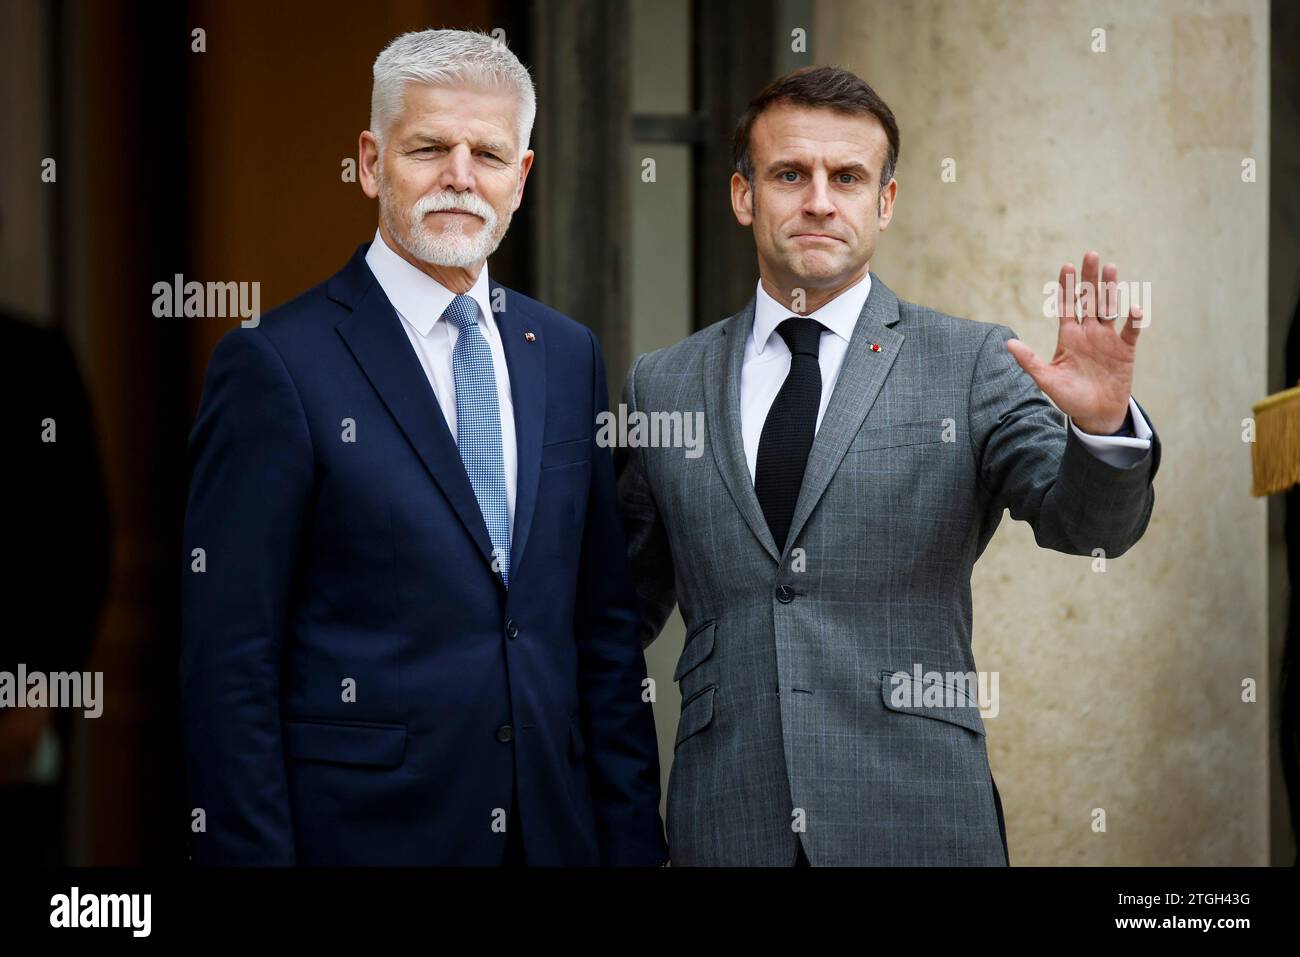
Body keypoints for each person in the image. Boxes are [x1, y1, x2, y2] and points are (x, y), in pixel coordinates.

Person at [618, 65, 1160, 866]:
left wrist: (1103, 424)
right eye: (789, 174)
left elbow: (1087, 527)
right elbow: (613, 614)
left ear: (886, 202)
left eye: (848, 177)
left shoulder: (971, 361)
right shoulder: (662, 382)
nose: (819, 201)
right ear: (743, 197)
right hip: (726, 824)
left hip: (919, 820)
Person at [181, 29, 667, 866]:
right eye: (429, 147)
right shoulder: (274, 364)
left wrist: (630, 844)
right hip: (365, 837)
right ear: (372, 163)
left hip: (554, 833)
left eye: (488, 153)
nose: (460, 176)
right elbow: (231, 662)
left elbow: (602, 632)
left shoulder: (567, 354)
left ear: (522, 177)